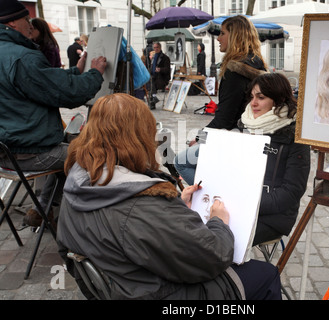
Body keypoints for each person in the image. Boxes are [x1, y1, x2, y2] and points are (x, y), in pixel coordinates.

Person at [56, 93, 282, 300]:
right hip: (160, 294)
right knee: (266, 274)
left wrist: (175, 208)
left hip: (125, 284)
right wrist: (219, 223)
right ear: (136, 138)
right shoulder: (141, 205)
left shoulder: (79, 182)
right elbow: (213, 257)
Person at [0, 0, 107, 228]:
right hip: (26, 152)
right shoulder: (22, 57)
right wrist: (95, 74)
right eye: (26, 19)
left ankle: (43, 207)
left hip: (8, 150)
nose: (30, 24)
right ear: (11, 23)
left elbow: (42, 80)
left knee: (65, 149)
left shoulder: (11, 54)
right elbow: (68, 94)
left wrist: (75, 71)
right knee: (95, 153)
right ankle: (90, 225)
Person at [174, 15, 268, 185]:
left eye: (222, 33)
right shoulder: (258, 64)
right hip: (253, 136)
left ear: (235, 36)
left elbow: (225, 118)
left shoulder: (235, 70)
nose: (218, 38)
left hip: (235, 138)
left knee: (180, 162)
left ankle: (216, 193)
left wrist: (200, 137)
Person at [237, 73, 311, 245]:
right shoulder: (246, 124)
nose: (253, 103)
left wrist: (247, 203)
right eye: (252, 96)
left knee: (221, 239)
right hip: (241, 206)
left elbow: (291, 192)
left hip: (273, 217)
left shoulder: (294, 137)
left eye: (261, 97)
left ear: (277, 101)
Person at [149, 42, 170, 109]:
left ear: (160, 48)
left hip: (162, 79)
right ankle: (153, 99)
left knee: (151, 82)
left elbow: (167, 69)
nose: (155, 49)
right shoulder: (154, 57)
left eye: (157, 47)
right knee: (148, 80)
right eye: (154, 47)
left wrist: (160, 69)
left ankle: (153, 98)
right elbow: (151, 68)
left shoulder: (165, 58)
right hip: (154, 77)